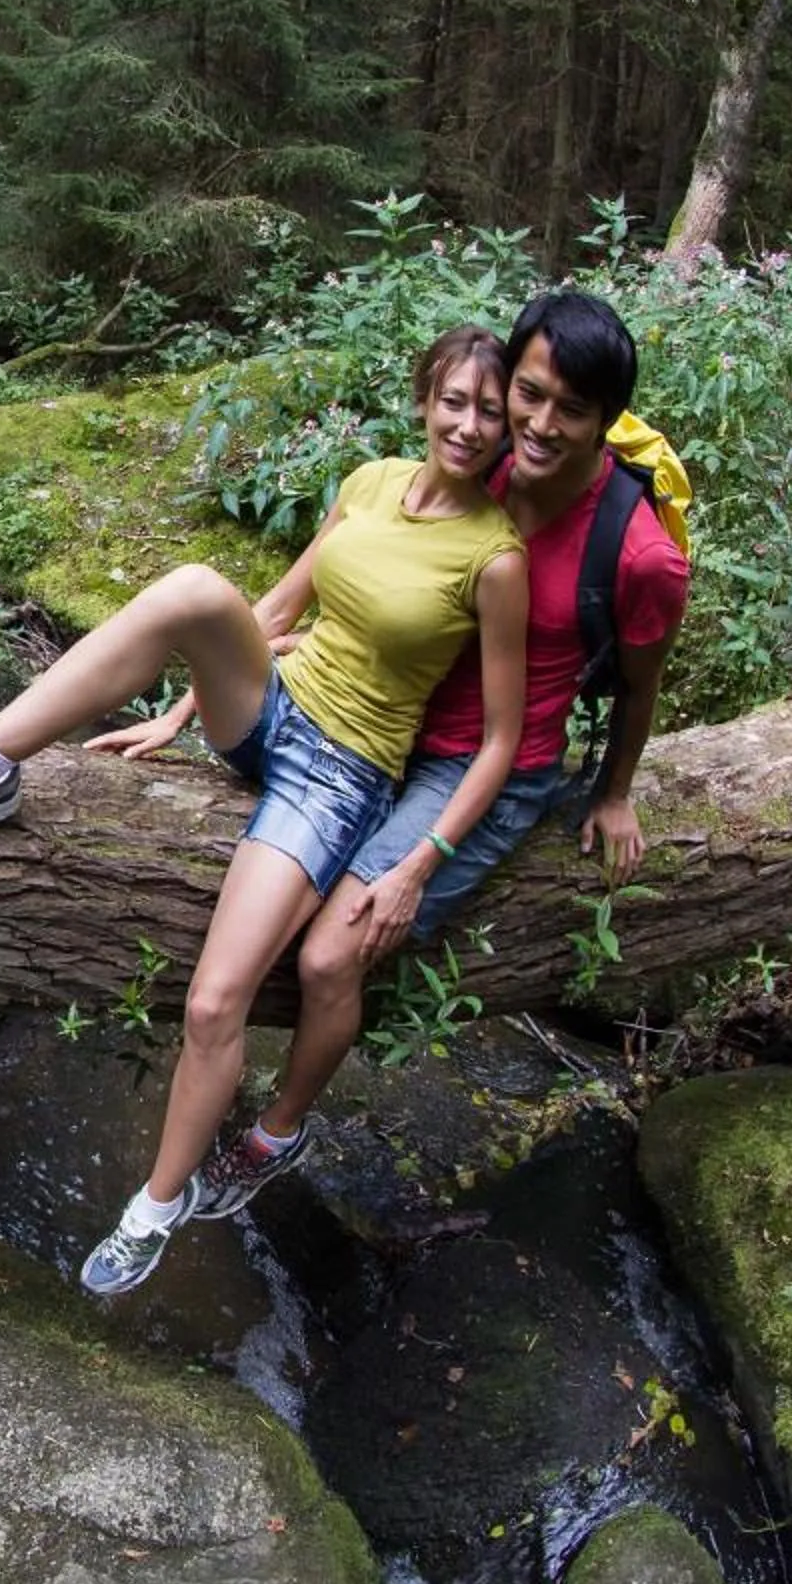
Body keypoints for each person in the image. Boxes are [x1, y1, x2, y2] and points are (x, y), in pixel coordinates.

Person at [0, 326, 531, 1294]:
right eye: (454, 400)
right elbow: (279, 611)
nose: (468, 424)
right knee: (196, 589)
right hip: (271, 710)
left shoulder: (496, 558)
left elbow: (500, 737)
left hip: (337, 776)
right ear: (425, 398)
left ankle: (155, 1205)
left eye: (490, 411)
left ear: (511, 428)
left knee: (216, 1000)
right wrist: (179, 709)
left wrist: (421, 860)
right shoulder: (372, 481)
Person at [186, 288, 693, 1226]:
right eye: (528, 396)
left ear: (606, 420)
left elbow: (640, 680)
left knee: (333, 956)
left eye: (569, 411)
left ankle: (276, 1134)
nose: (537, 425)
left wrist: (616, 790)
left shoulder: (642, 557)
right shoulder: (481, 460)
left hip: (482, 771)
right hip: (383, 729)